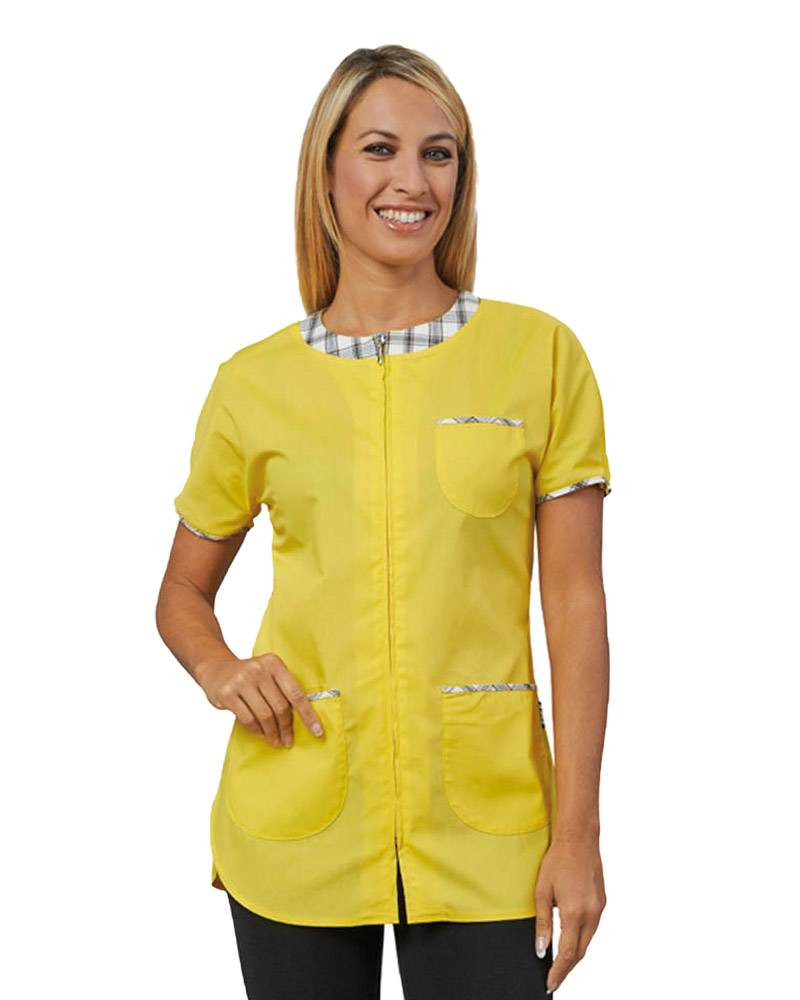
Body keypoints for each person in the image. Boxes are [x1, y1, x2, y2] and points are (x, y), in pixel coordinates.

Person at [156, 44, 612, 1000]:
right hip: (296, 822)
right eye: (380, 149)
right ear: (326, 171)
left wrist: (578, 834)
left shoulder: (540, 356)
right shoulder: (252, 385)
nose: (412, 180)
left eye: (438, 154)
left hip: (492, 833)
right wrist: (222, 669)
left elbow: (574, 606)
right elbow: (181, 594)